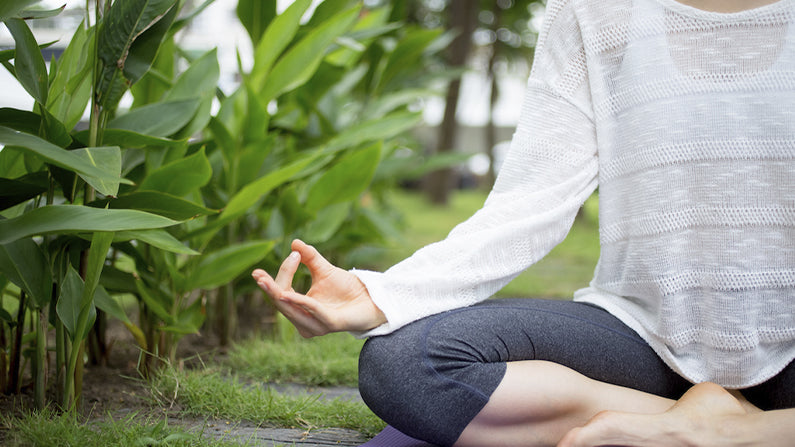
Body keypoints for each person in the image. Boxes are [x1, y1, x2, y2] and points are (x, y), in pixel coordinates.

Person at [252, 0, 795, 445]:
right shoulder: (592, 13)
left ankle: (741, 432)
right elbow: (533, 200)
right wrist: (381, 296)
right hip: (643, 332)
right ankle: (702, 419)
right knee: (405, 363)